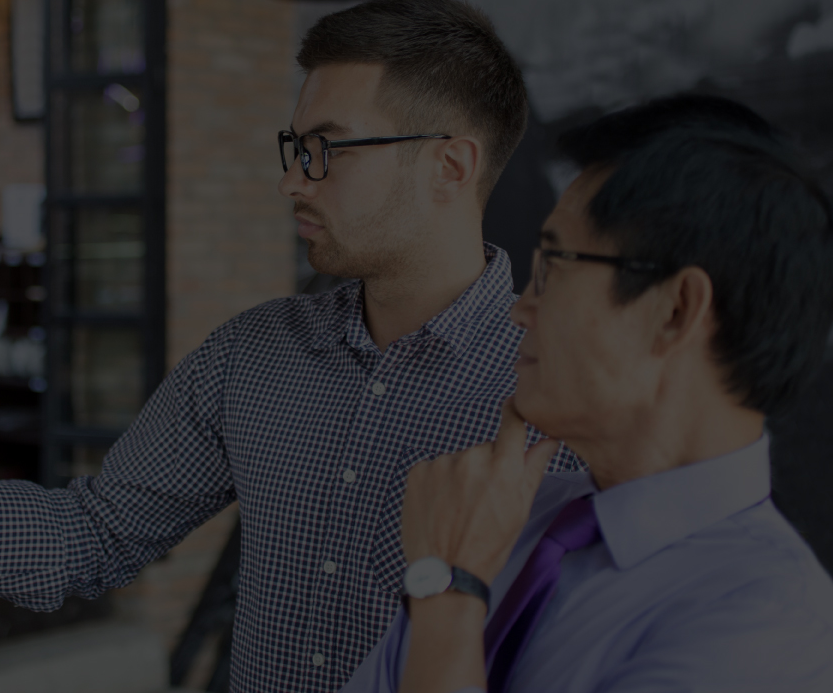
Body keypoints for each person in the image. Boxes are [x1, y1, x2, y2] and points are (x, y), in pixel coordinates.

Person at [0, 0, 580, 693]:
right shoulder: (253, 355)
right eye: (295, 150)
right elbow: (88, 537)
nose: (292, 181)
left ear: (450, 165)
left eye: (326, 151)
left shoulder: (562, 398)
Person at [341, 95, 833, 693]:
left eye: (553, 267)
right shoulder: (501, 515)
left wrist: (448, 594)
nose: (520, 308)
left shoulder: (772, 623)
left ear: (675, 310)